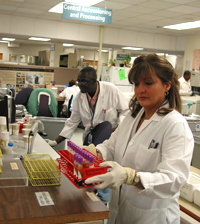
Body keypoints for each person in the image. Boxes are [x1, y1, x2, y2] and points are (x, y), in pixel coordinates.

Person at [85, 54, 194, 224]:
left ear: (167, 85)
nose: (140, 90)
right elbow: (112, 146)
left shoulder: (175, 125)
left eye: (148, 83)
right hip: (119, 211)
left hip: (151, 217)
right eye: (136, 84)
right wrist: (95, 152)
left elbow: (174, 180)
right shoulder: (133, 116)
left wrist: (132, 177)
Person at [46, 66, 129, 204]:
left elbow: (125, 111)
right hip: (90, 137)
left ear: (95, 81)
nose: (81, 85)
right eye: (79, 81)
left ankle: (101, 203)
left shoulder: (111, 90)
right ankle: (88, 199)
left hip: (110, 136)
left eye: (84, 81)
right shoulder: (79, 97)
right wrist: (56, 141)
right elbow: (72, 121)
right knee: (88, 170)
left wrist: (119, 130)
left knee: (103, 170)